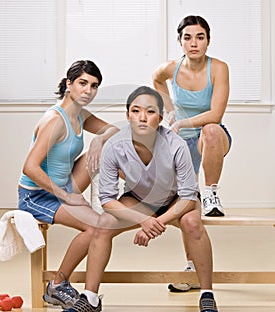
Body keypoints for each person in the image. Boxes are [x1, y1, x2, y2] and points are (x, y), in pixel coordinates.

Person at [63, 86, 218, 312]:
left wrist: (156, 222)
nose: (142, 117)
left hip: (176, 199)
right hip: (139, 199)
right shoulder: (115, 146)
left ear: (161, 117)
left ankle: (207, 293)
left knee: (192, 223)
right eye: (135, 111)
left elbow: (187, 194)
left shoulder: (176, 144)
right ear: (128, 115)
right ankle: (90, 298)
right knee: (102, 224)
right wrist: (143, 219)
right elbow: (107, 199)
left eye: (150, 112)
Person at [18, 60, 118, 309]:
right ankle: (58, 284)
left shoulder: (80, 114)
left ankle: (125, 193)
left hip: (63, 188)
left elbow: (114, 130)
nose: (88, 91)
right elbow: (29, 167)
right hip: (37, 195)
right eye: (83, 83)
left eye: (94, 86)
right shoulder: (55, 120)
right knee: (96, 228)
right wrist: (68, 196)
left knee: (105, 146)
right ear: (68, 84)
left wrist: (98, 141)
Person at [152, 15, 232, 292]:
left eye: (200, 37)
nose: (194, 43)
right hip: (181, 142)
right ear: (180, 41)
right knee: (187, 205)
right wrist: (169, 111)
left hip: (211, 138)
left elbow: (216, 114)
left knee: (210, 129)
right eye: (188, 37)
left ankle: (211, 191)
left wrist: (181, 122)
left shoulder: (218, 68)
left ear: (208, 41)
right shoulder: (171, 69)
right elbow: (156, 80)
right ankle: (192, 268)